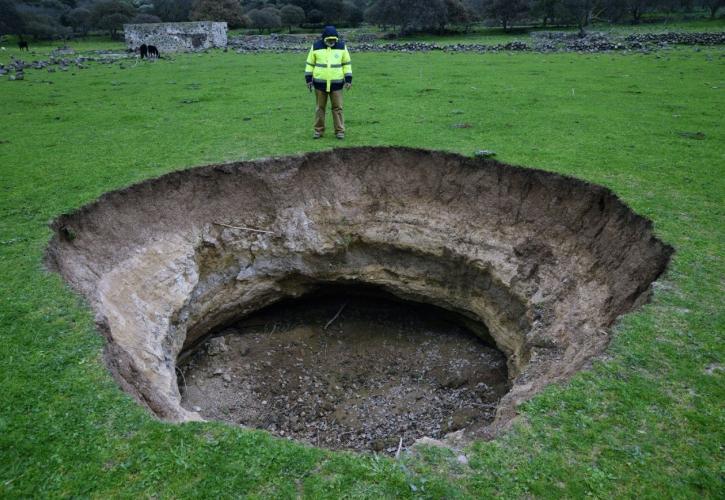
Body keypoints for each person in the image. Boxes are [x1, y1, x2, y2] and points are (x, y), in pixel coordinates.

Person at [304, 26, 352, 139]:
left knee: (338, 108)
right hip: (319, 84)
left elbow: (346, 64)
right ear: (324, 38)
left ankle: (340, 131)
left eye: (334, 39)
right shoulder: (315, 46)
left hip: (337, 84)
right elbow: (310, 64)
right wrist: (308, 79)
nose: (332, 42)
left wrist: (348, 79)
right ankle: (318, 131)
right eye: (329, 39)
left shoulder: (342, 46)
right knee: (320, 108)